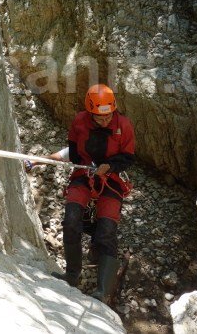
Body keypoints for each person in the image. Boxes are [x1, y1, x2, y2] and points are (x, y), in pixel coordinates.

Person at [49, 84, 135, 303]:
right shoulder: (80, 121)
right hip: (84, 174)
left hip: (111, 180)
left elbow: (127, 157)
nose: (105, 121)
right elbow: (74, 151)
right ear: (90, 113)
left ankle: (103, 291)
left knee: (107, 229)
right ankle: (71, 275)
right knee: (71, 220)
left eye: (108, 117)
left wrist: (110, 166)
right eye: (99, 118)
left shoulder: (123, 125)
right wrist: (80, 163)